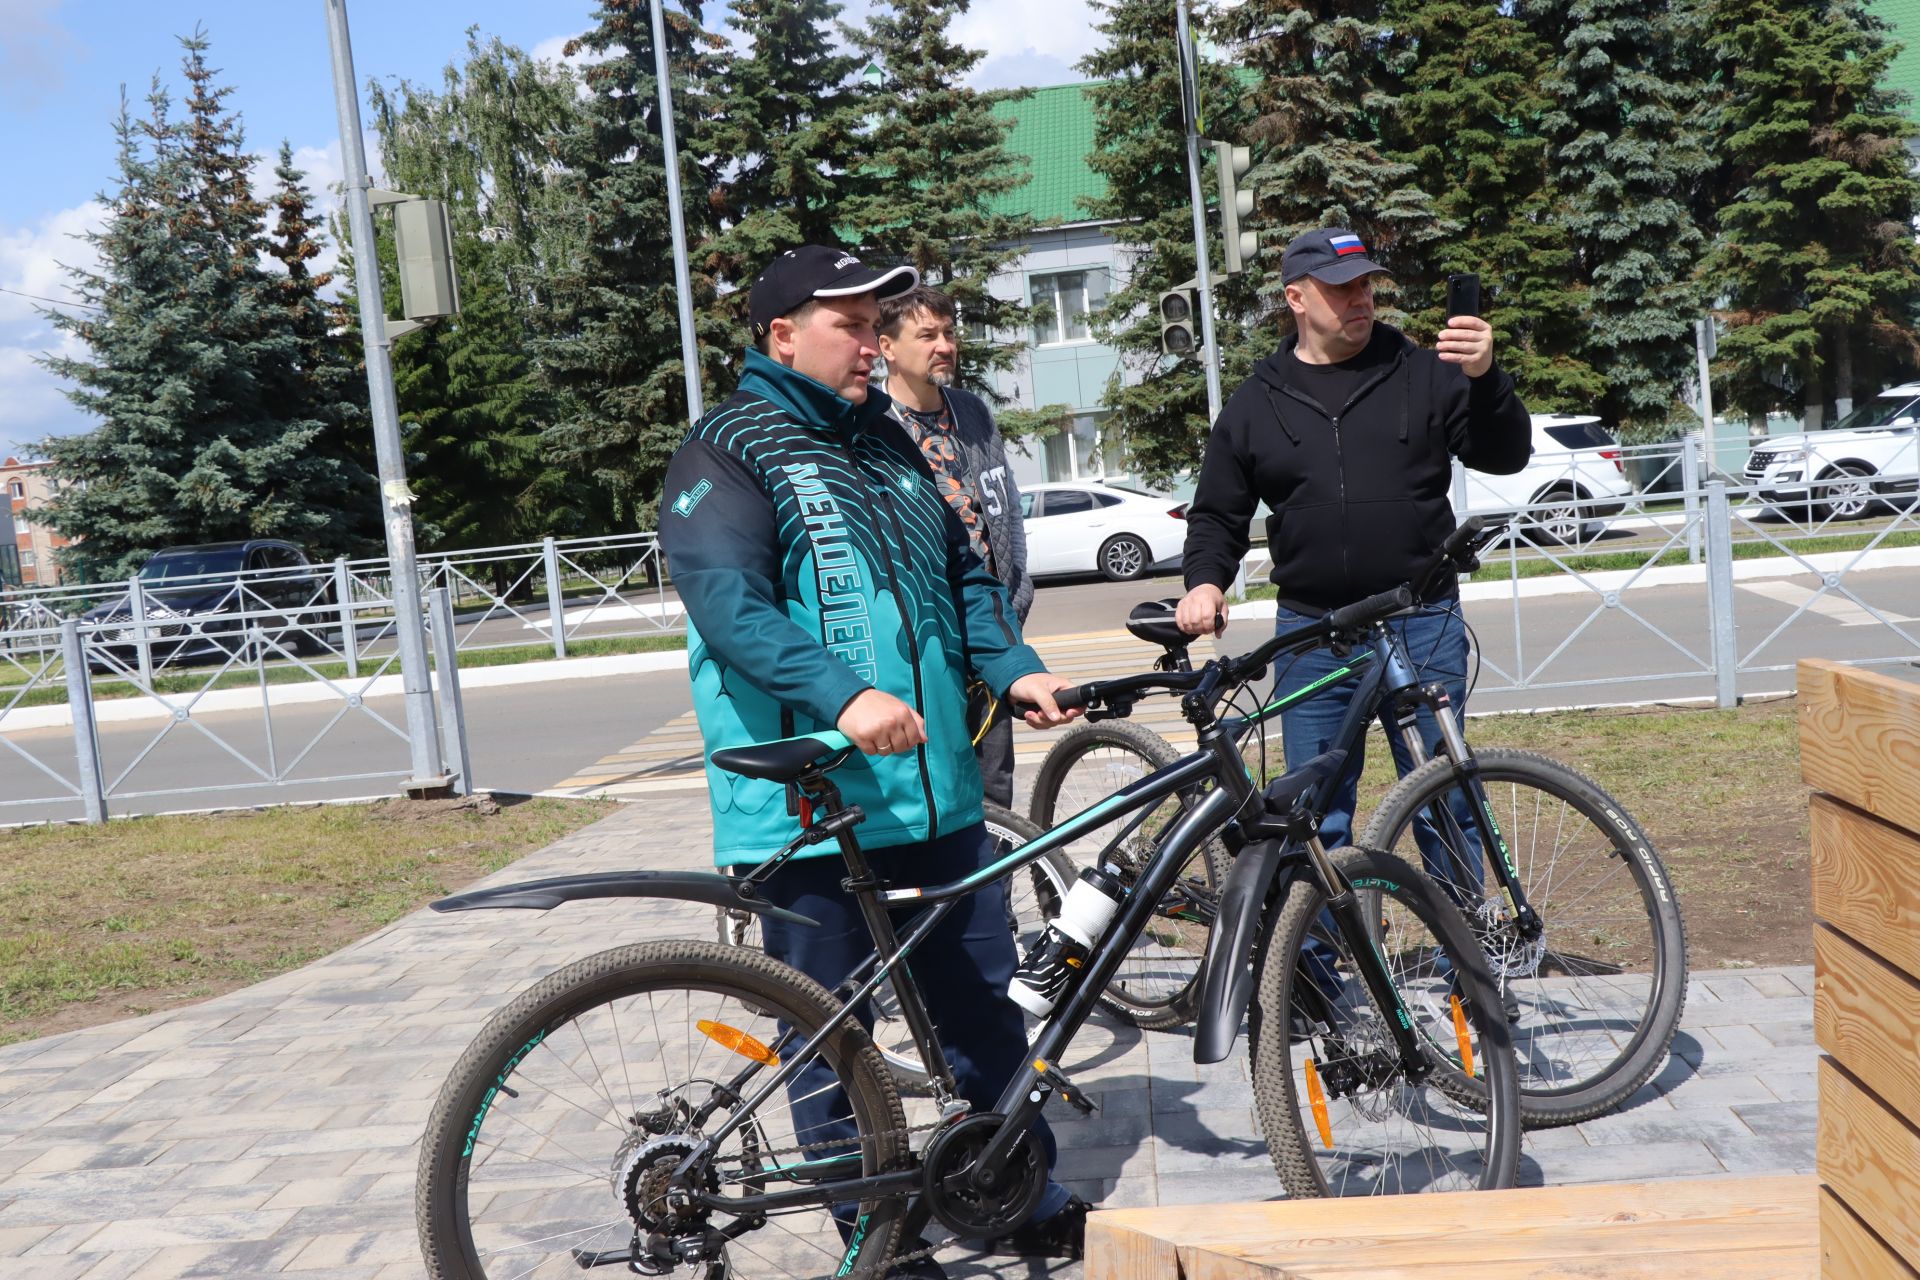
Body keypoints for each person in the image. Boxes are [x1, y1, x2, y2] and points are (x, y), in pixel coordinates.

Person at [658, 244, 1092, 1270]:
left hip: (936, 799)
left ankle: (1018, 1187)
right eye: (849, 322)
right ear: (782, 337)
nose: (869, 338)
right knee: (831, 1037)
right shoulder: (726, 447)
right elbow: (726, 602)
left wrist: (1016, 666)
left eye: (873, 319)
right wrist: (843, 694)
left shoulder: (893, 446)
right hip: (811, 806)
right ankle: (880, 1237)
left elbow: (967, 579)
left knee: (983, 1009)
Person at [1175, 227, 1531, 940]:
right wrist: (1204, 584)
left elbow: (1507, 453)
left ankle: (1467, 956)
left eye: (1367, 284)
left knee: (1441, 797)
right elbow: (1218, 512)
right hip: (1314, 633)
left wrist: (1487, 377)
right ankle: (1325, 974)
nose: (1361, 298)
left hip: (1420, 620)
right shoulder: (1254, 404)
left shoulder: (1426, 373)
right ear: (1297, 299)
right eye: (1343, 289)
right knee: (1313, 809)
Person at [877, 284, 1035, 809]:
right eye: (927, 335)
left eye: (948, 332)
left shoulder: (972, 411)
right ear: (887, 347)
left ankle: (998, 896)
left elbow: (1006, 510)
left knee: (995, 798)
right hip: (927, 651)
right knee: (935, 796)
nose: (944, 344)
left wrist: (1014, 605)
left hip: (993, 635)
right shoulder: (872, 427)